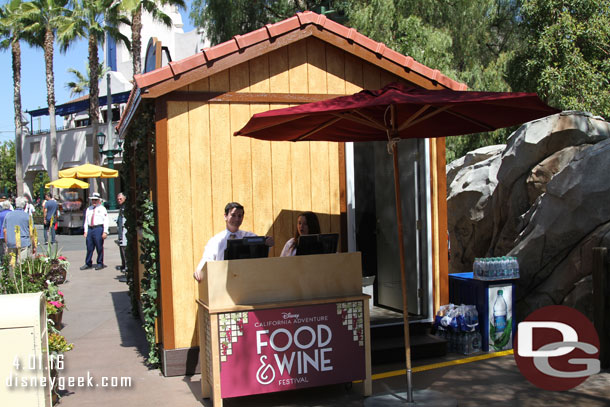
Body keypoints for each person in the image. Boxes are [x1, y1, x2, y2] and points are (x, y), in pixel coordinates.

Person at [193, 202, 274, 281]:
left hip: (245, 280)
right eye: (233, 215)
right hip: (222, 281)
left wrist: (267, 244)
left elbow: (261, 250)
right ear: (225, 216)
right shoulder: (216, 240)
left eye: (240, 216)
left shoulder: (249, 236)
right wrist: (199, 270)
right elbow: (207, 258)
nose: (237, 219)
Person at [80, 192, 109, 270]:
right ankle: (88, 263)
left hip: (98, 228)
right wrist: (85, 231)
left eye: (95, 200)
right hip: (90, 229)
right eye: (93, 200)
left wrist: (105, 231)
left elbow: (106, 220)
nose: (94, 201)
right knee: (89, 247)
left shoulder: (102, 209)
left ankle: (100, 263)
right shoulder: (89, 209)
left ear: (99, 200)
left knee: (99, 246)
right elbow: (86, 221)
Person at [2, 196, 32, 262]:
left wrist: (7, 243)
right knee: (22, 264)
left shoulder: (8, 215)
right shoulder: (27, 216)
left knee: (12, 264)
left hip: (11, 242)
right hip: (23, 242)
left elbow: (5, 230)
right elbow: (31, 231)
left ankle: (12, 272)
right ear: (24, 206)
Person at [116, 192, 127, 272]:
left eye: (121, 199)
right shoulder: (121, 207)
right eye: (118, 199)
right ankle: (123, 265)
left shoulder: (125, 208)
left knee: (124, 250)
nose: (119, 200)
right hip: (120, 231)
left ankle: (126, 266)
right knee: (121, 249)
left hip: (124, 231)